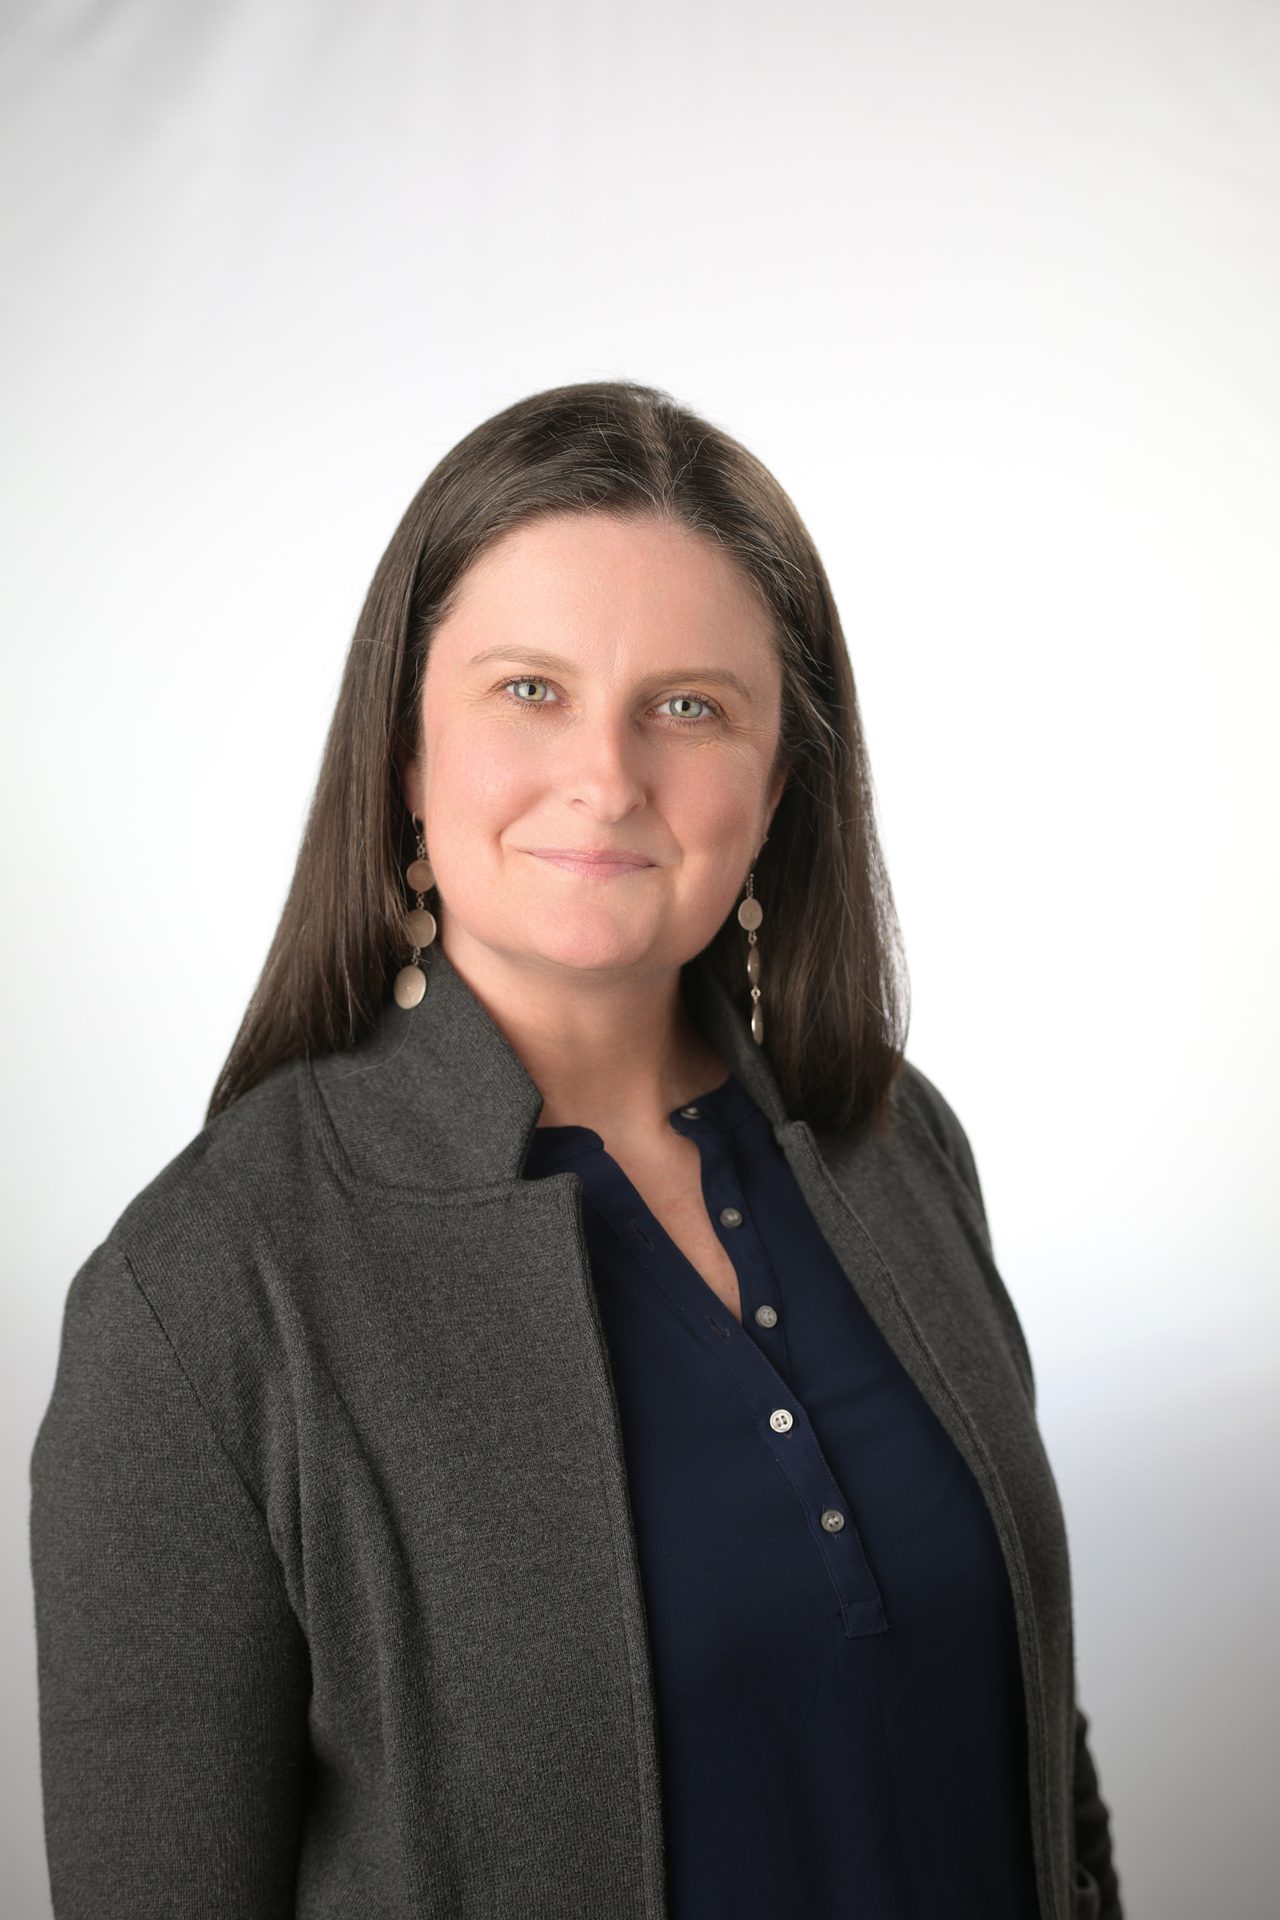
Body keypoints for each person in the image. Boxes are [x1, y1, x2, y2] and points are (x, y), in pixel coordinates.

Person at [29, 378, 1123, 1920]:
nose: (608, 778)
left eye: (690, 706)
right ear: (404, 752)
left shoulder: (892, 1143)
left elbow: (1038, 1755)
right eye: (531, 689)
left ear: (779, 784)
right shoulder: (203, 1300)